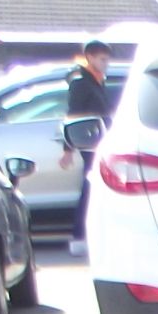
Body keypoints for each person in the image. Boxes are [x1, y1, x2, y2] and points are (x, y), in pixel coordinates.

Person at [62, 40, 115, 257]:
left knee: (97, 189)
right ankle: (79, 235)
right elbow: (73, 116)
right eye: (102, 59)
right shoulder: (81, 83)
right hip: (89, 144)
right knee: (90, 189)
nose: (106, 63)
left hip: (100, 142)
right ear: (90, 58)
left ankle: (92, 234)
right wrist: (68, 149)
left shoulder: (97, 80)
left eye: (107, 59)